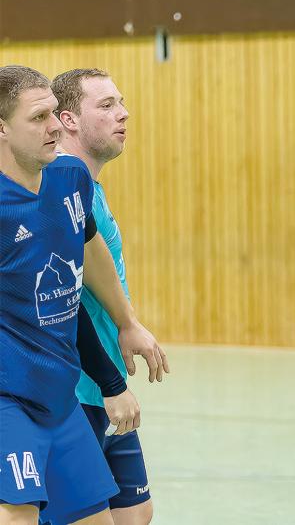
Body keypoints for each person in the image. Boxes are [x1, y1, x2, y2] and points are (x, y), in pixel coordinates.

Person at [0, 65, 167, 525]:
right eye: (39, 118)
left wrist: (127, 326)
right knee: (19, 515)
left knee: (118, 518)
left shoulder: (70, 179)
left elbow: (80, 275)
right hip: (12, 399)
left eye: (54, 113)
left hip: (63, 395)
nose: (54, 126)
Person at [51, 67, 155, 524]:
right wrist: (111, 380)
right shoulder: (59, 189)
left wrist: (128, 326)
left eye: (122, 102)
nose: (124, 113)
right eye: (107, 105)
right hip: (75, 388)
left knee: (137, 515)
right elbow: (62, 297)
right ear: (69, 119)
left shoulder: (90, 190)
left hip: (103, 384)